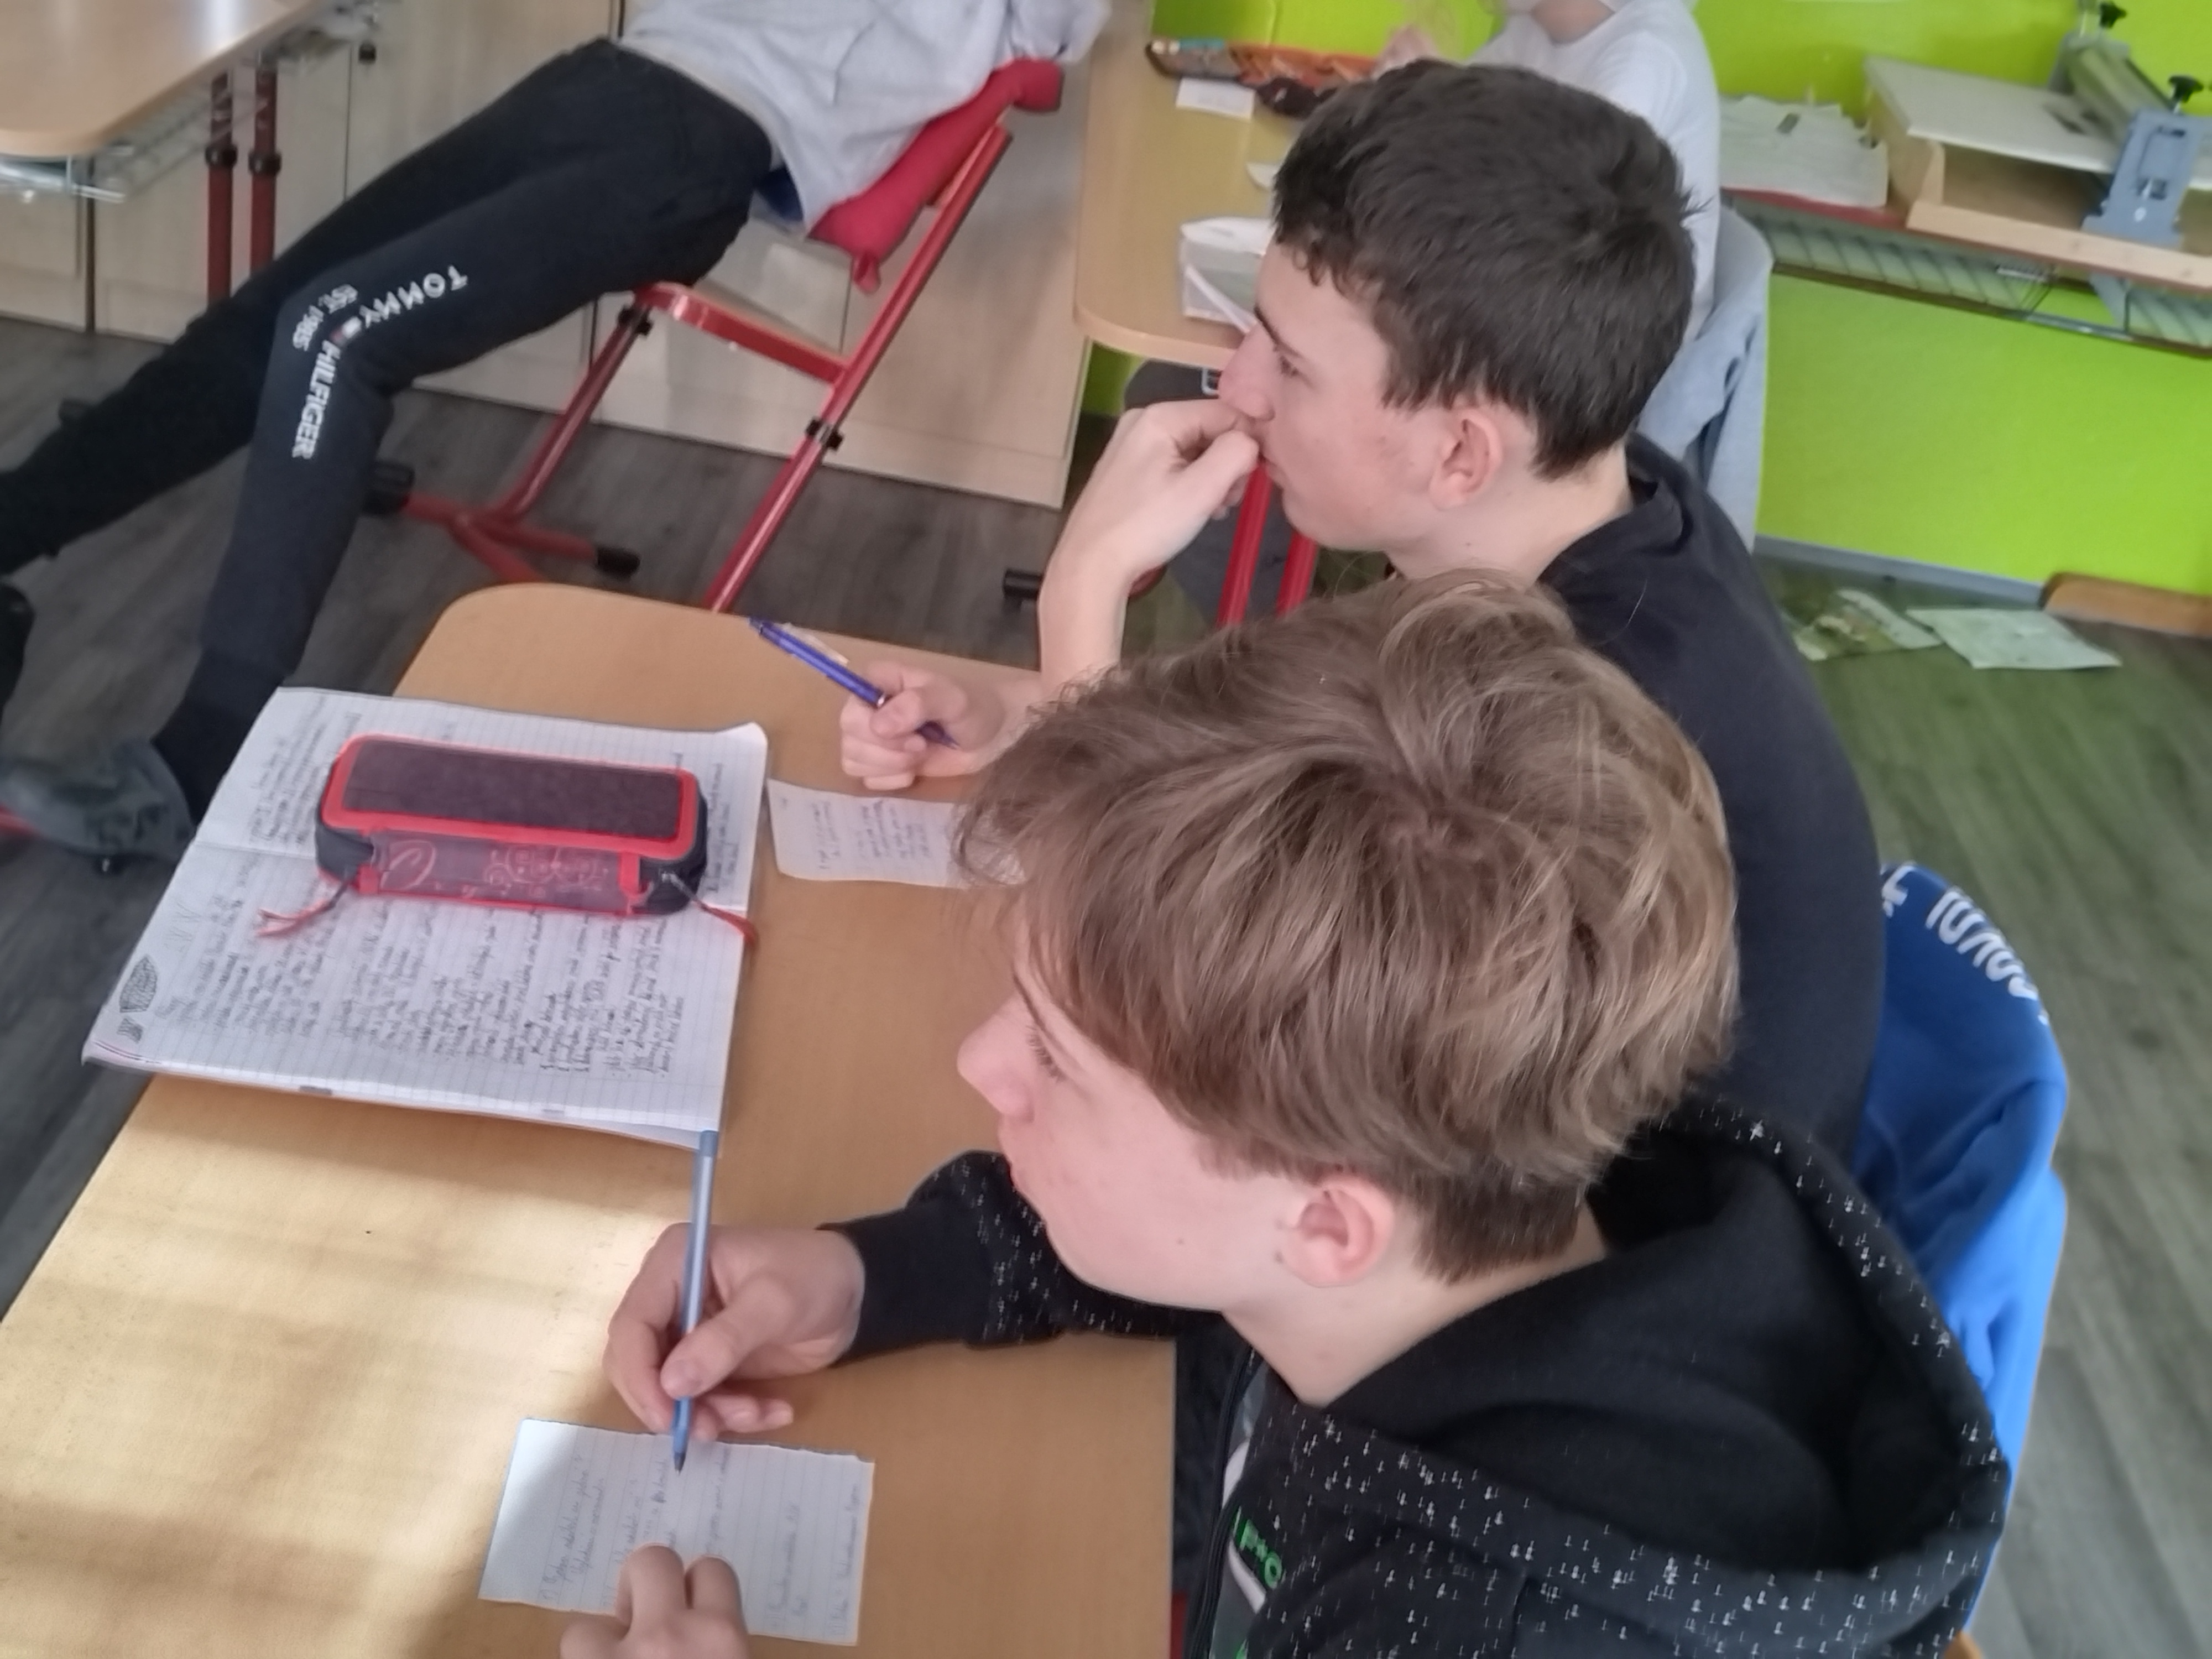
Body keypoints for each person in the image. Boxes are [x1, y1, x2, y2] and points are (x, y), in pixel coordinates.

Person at [583, 576, 2006, 1659]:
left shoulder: (1481, 1621)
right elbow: (1212, 1226)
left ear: (1329, 1223)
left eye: (1057, 1061)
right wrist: (875, 1274)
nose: (978, 1063)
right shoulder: (1521, 1205)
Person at [839, 63, 1880, 1162]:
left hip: (1611, 1230)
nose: (1239, 386)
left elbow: (1139, 982)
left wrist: (1082, 597)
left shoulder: (1575, 720)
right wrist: (1031, 715)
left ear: (1460, 453)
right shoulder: (1589, 500)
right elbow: (1314, 733)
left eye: (1289, 366)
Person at [0, 0, 1104, 859]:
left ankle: (199, 765)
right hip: (604, 82)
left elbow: (1055, 34)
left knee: (336, 336)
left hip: (703, 148)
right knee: (266, 323)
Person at [1379, 0, 1719, 334]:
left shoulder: (1645, 59)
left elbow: (1558, 214)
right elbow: (1472, 133)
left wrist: (1437, 103)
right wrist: (1422, 92)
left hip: (1615, 330)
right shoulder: (1531, 30)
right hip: (1550, 287)